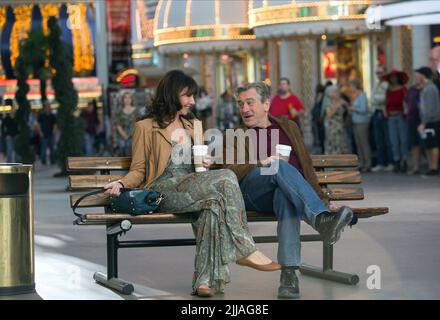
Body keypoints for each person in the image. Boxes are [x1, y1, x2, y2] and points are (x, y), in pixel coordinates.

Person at [103, 70, 280, 298]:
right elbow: (138, 170)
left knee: (213, 204)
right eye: (188, 95)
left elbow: (199, 165)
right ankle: (245, 248)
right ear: (173, 94)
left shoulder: (193, 125)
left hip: (191, 185)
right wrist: (120, 182)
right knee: (226, 176)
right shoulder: (145, 127)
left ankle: (204, 281)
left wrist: (206, 162)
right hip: (162, 189)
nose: (193, 101)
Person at [217, 81, 354, 299]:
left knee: (285, 197)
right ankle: (320, 219)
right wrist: (261, 161)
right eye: (240, 104)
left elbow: (306, 166)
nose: (244, 109)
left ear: (266, 104)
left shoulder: (288, 127)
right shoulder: (235, 135)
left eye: (250, 103)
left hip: (286, 192)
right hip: (252, 194)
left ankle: (289, 276)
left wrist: (323, 199)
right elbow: (227, 171)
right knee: (278, 165)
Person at [415, 67, 440, 175]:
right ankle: (431, 166)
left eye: (417, 75)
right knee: (428, 144)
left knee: (433, 144)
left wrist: (423, 123)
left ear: (423, 75)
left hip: (431, 120)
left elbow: (430, 109)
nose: (416, 78)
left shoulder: (430, 89)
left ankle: (434, 167)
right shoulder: (425, 88)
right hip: (427, 120)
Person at [382, 69, 409, 173]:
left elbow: (406, 103)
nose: (393, 79)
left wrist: (404, 113)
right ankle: (396, 161)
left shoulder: (403, 89)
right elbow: (386, 104)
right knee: (393, 140)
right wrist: (387, 113)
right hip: (391, 117)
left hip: (401, 116)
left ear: (398, 78)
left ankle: (405, 160)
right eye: (391, 77)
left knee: (403, 140)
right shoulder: (388, 91)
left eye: (395, 76)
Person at [371, 67, 394, 172]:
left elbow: (384, 98)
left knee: (387, 139)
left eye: (380, 73)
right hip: (376, 112)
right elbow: (372, 97)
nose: (378, 75)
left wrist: (376, 98)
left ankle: (390, 162)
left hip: (384, 112)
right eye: (377, 73)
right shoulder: (376, 84)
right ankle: (381, 162)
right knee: (378, 139)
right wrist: (376, 99)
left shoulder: (387, 84)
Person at [348, 79, 372, 172]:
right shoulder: (354, 96)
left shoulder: (362, 95)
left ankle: (367, 163)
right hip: (355, 121)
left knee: (364, 142)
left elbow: (363, 109)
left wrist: (353, 109)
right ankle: (361, 162)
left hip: (362, 122)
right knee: (358, 143)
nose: (350, 88)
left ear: (355, 86)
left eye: (351, 86)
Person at [404, 72, 422, 174]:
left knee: (424, 144)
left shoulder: (424, 89)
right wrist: (406, 109)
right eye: (414, 76)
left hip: (422, 120)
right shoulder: (411, 89)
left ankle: (431, 166)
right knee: (414, 144)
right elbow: (405, 100)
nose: (416, 78)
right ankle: (416, 166)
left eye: (418, 76)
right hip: (411, 119)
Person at [323, 86, 348, 155]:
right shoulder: (328, 103)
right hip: (332, 127)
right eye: (335, 92)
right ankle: (333, 161)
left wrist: (346, 105)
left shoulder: (340, 100)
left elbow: (348, 109)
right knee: (333, 144)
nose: (337, 93)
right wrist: (337, 106)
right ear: (330, 94)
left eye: (337, 92)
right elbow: (329, 115)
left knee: (341, 143)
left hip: (340, 126)